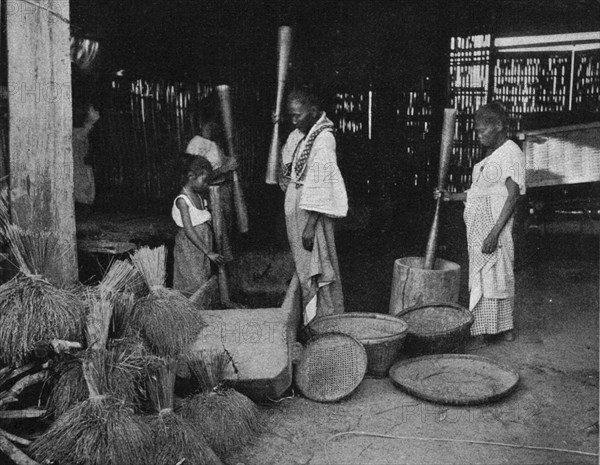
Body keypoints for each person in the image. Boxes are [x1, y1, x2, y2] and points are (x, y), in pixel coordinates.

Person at [434, 102, 525, 342]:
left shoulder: (511, 152)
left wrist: (494, 233)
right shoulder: (493, 154)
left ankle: (493, 330)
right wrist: (451, 196)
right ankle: (495, 329)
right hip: (479, 228)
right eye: (476, 130)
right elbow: (480, 192)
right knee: (485, 278)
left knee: (496, 275)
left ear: (498, 126)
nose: (479, 135)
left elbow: (513, 196)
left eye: (482, 130)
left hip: (496, 228)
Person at [279, 87, 348, 325]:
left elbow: (322, 184)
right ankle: (313, 320)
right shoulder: (301, 135)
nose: (294, 120)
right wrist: (285, 177)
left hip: (312, 216)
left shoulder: (323, 139)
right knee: (305, 266)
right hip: (298, 209)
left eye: (297, 115)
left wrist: (310, 226)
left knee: (318, 266)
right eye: (291, 115)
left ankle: (325, 320)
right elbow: (289, 164)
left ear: (314, 111)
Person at [172, 155, 225, 297]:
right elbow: (189, 230)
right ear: (191, 177)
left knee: (203, 277)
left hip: (201, 245)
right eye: (204, 180)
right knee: (192, 280)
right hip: (190, 247)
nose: (206, 184)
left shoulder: (200, 196)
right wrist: (208, 252)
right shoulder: (183, 201)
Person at [72, 104, 100, 218]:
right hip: (77, 163)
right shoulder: (77, 133)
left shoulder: (85, 132)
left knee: (84, 186)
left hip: (82, 163)